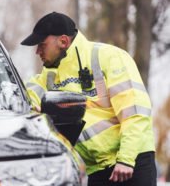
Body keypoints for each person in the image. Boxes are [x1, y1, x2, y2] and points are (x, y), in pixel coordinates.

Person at [21, 12, 156, 186]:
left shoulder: (110, 57)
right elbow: (25, 94)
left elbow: (135, 112)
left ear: (63, 41)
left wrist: (126, 159)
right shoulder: (50, 74)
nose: (37, 51)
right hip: (97, 168)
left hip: (132, 164)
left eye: (42, 45)